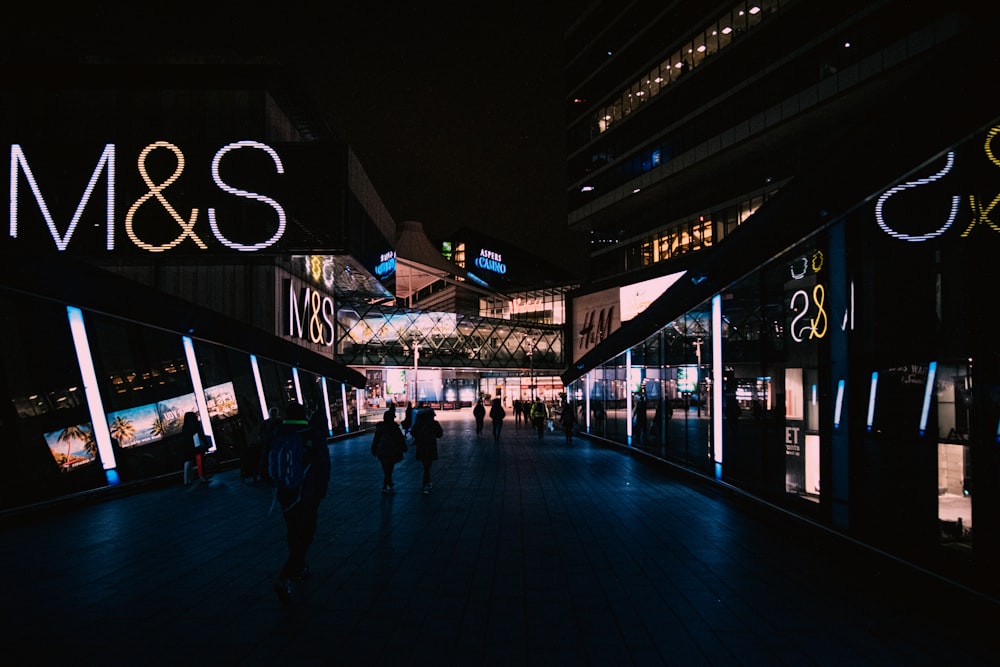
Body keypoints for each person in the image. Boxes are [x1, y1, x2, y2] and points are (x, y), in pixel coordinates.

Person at [273, 401, 330, 604]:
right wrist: (321, 490)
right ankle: (287, 574)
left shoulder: (278, 432)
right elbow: (323, 465)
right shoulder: (311, 433)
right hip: (307, 492)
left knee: (293, 530)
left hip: (285, 492)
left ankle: (299, 566)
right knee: (307, 532)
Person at [371, 409, 406, 493]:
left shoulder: (380, 427)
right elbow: (400, 438)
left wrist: (374, 448)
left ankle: (387, 483)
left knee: (385, 467)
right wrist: (404, 447)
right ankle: (387, 483)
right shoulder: (395, 427)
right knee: (390, 467)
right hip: (392, 450)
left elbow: (376, 439)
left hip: (382, 450)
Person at [411, 407, 443, 494]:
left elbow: (413, 432)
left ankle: (427, 482)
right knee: (427, 466)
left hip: (421, 446)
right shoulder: (434, 424)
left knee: (426, 465)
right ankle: (426, 482)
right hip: (430, 446)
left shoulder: (419, 424)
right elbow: (440, 434)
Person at [254, 406, 282, 483]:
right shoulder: (279, 422)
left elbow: (261, 434)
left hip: (271, 444)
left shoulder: (267, 423)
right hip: (273, 444)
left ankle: (266, 474)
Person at [182, 411, 210, 485]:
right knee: (200, 461)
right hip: (197, 445)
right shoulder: (196, 425)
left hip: (188, 447)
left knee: (188, 462)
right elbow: (200, 434)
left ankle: (187, 479)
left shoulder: (185, 427)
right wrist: (206, 443)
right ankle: (201, 476)